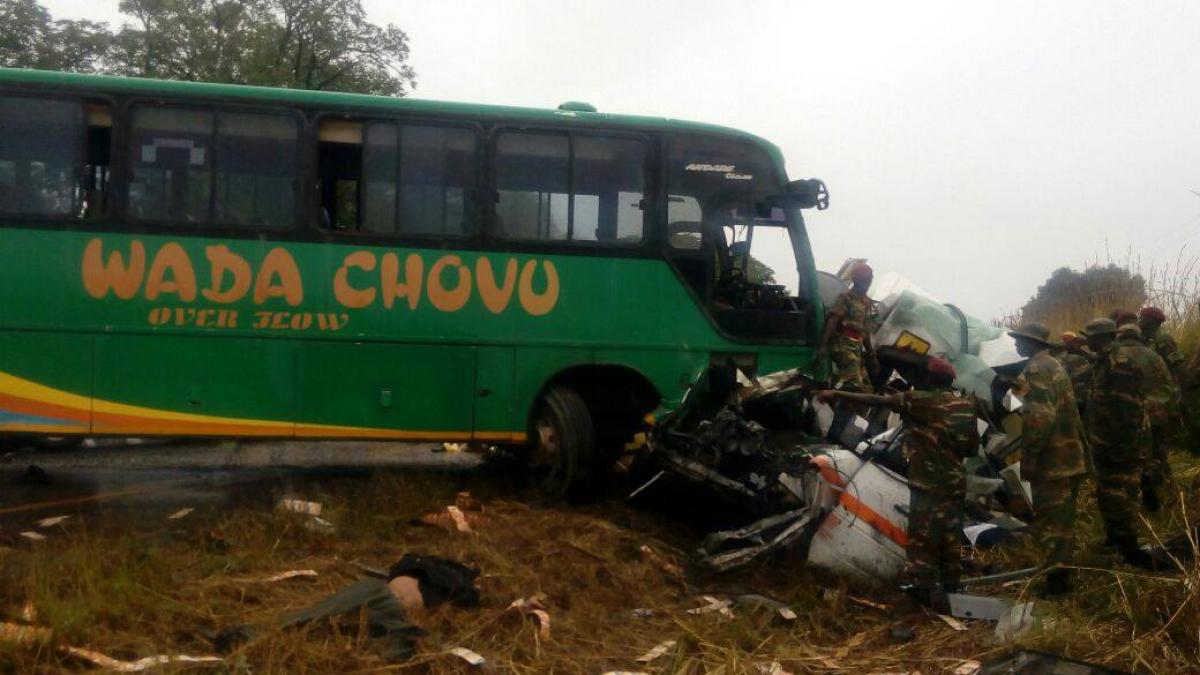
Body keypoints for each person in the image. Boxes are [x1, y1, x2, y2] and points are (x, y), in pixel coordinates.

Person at [818, 356, 977, 604]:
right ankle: (951, 588)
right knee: (951, 533)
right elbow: (971, 448)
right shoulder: (966, 406)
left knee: (923, 534)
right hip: (955, 481)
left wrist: (836, 394)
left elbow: (878, 400)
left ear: (928, 379)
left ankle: (923, 589)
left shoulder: (920, 401)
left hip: (928, 481)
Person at [1008, 323, 1088, 595]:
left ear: (1032, 343)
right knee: (1062, 522)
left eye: (1020, 340)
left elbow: (1040, 418)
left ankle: (1056, 584)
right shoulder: (1053, 364)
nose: (1017, 345)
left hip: (1053, 461)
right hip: (1068, 456)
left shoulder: (1037, 369)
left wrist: (1029, 458)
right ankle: (1061, 577)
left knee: (1052, 524)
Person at [1081, 318, 1159, 569]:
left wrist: (1121, 451)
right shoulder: (1104, 362)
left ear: (1101, 338)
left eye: (1090, 337)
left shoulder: (1120, 364)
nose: (1087, 342)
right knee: (1108, 497)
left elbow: (1125, 412)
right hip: (1108, 446)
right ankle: (1115, 541)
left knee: (1120, 499)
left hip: (1121, 448)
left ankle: (1130, 552)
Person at [1115, 322, 1174, 511]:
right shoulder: (1153, 355)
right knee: (1157, 453)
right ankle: (1156, 485)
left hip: (1128, 417)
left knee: (1131, 457)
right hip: (1157, 413)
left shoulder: (1115, 356)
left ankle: (1135, 491)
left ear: (1120, 335)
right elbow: (1168, 385)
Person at [816, 262, 879, 393]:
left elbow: (865, 332)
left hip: (856, 348)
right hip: (842, 346)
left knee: (867, 389)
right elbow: (833, 321)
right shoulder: (846, 298)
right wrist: (823, 346)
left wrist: (872, 355)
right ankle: (835, 398)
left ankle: (835, 397)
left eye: (868, 281)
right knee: (854, 386)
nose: (867, 284)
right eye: (864, 280)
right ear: (856, 280)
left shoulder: (867, 302)